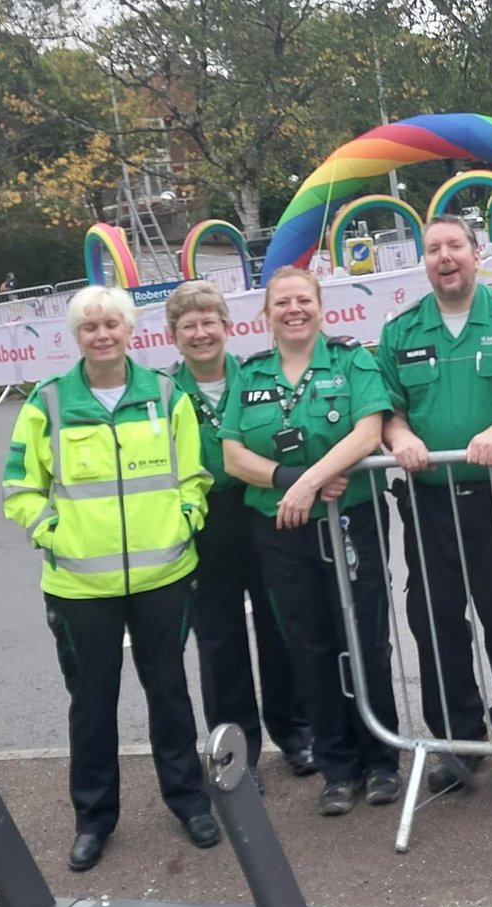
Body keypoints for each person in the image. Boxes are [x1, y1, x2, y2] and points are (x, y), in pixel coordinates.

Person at [2, 285, 220, 871]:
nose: (102, 335)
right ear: (77, 337)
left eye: (112, 325)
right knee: (91, 704)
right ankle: (94, 819)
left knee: (170, 696)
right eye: (90, 327)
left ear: (131, 331)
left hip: (164, 576)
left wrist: (185, 519)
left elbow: (194, 476)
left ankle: (190, 802)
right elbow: (20, 485)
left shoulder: (168, 395)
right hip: (79, 587)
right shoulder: (47, 402)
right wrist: (52, 532)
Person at [379, 215, 492, 798]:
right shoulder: (400, 332)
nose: (445, 257)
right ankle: (459, 741)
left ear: (478, 255)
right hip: (430, 503)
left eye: (455, 246)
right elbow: (388, 405)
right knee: (435, 623)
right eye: (433, 250)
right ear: (424, 263)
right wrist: (399, 436)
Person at [220, 265, 401, 816]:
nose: (293, 310)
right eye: (282, 303)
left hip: (351, 518)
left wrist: (310, 480)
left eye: (303, 300)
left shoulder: (351, 359)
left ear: (321, 307)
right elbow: (234, 455)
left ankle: (382, 760)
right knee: (309, 644)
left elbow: (369, 431)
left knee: (364, 637)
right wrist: (288, 483)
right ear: (267, 315)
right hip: (281, 529)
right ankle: (337, 767)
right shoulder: (250, 375)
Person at [165, 281, 315, 793]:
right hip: (205, 522)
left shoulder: (256, 377)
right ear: (174, 336)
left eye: (210, 323)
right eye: (190, 326)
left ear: (229, 327)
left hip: (260, 508)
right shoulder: (165, 392)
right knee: (219, 637)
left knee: (279, 623)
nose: (202, 333)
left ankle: (295, 733)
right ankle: (238, 747)